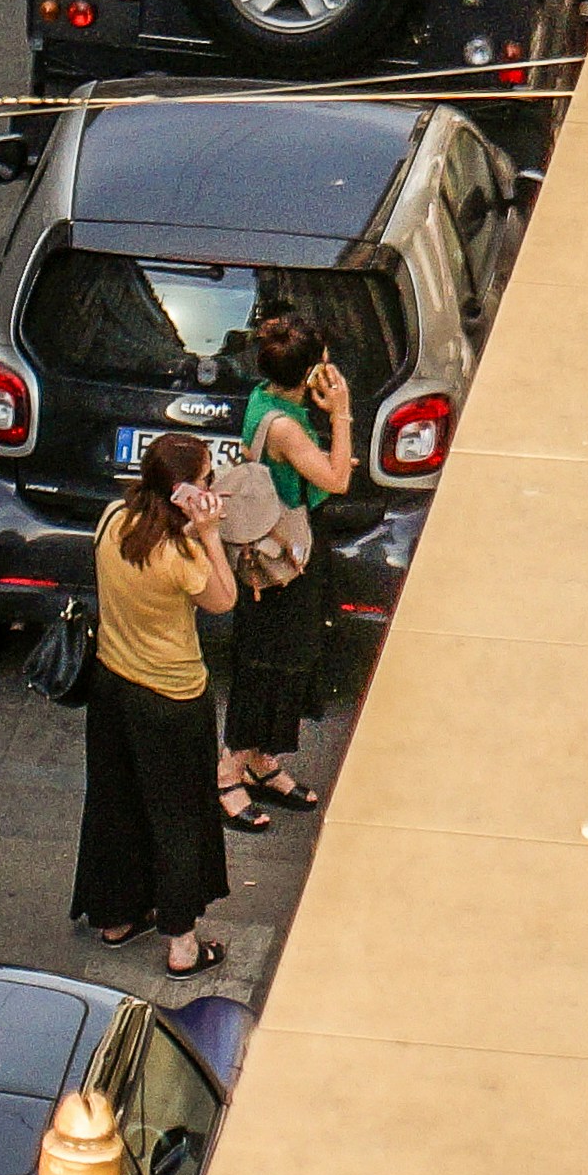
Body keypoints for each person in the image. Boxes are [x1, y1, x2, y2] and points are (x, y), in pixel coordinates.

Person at [76, 431, 237, 976]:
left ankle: (117, 916)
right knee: (179, 818)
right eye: (208, 477)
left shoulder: (111, 521)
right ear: (185, 493)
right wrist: (210, 535)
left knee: (117, 801)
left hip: (112, 682)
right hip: (173, 696)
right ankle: (182, 945)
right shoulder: (181, 554)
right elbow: (223, 599)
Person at [219, 312, 351, 823]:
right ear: (312, 370)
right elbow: (337, 480)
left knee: (285, 655)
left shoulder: (265, 398)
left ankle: (260, 759)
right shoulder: (288, 428)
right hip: (283, 556)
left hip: (276, 542)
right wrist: (340, 413)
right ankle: (229, 769)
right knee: (269, 660)